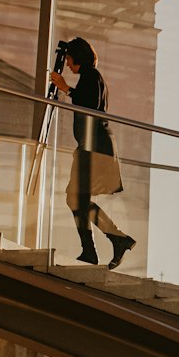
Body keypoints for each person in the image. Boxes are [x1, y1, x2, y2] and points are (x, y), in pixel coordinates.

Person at [50, 37, 135, 269]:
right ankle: (110, 242)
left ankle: (101, 246)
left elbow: (88, 104)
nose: (67, 64)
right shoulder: (91, 77)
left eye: (68, 59)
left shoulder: (91, 76)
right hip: (92, 146)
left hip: (94, 147)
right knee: (76, 197)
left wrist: (65, 88)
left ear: (77, 57)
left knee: (75, 197)